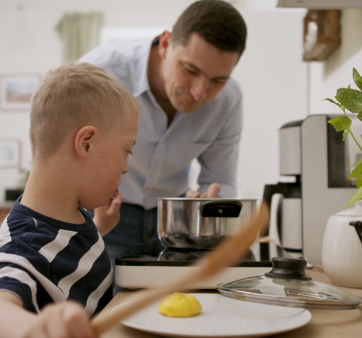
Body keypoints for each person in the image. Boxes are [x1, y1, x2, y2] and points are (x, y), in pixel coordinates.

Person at [0, 62, 140, 338]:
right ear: (86, 143)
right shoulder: (23, 247)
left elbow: (66, 251)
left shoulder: (70, 213)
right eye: (126, 151)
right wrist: (34, 328)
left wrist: (99, 227)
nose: (126, 168)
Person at [80, 0, 247, 260]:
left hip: (176, 224)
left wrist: (210, 206)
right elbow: (62, 158)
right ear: (166, 44)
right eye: (190, 70)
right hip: (103, 217)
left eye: (218, 80)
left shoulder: (229, 100)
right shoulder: (101, 72)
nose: (199, 92)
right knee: (103, 302)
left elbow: (221, 179)